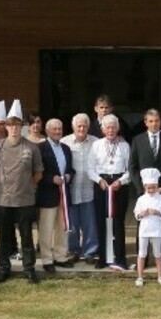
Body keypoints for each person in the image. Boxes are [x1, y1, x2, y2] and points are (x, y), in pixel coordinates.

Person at [0, 107, 44, 283]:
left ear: (22, 127)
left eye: (17, 125)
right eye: (11, 125)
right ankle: (3, 268)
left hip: (25, 200)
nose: (14, 128)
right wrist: (4, 186)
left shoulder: (32, 148)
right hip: (4, 200)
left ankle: (29, 269)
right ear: (6, 127)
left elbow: (38, 172)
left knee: (27, 237)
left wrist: (28, 186)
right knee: (4, 238)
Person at [129, 110, 161, 270]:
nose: (154, 124)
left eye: (156, 120)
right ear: (145, 122)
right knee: (143, 224)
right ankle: (142, 260)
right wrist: (141, 188)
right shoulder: (137, 140)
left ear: (160, 122)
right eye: (150, 121)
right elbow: (132, 167)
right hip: (144, 192)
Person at [91, 114, 134, 271]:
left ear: (118, 128)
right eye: (107, 127)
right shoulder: (96, 145)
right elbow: (90, 167)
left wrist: (121, 181)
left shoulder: (125, 146)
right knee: (102, 222)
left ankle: (120, 258)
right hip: (101, 185)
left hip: (119, 186)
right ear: (103, 129)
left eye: (113, 127)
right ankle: (103, 257)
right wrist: (99, 180)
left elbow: (130, 169)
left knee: (118, 223)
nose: (110, 130)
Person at [62, 113, 102, 264]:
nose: (82, 129)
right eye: (79, 126)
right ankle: (74, 251)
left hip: (89, 189)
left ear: (88, 127)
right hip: (71, 189)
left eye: (85, 126)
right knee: (72, 224)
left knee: (90, 223)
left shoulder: (96, 142)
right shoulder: (65, 142)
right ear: (73, 127)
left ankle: (90, 252)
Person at [37, 118, 75, 268]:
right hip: (48, 194)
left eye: (60, 129)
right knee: (46, 228)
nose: (58, 131)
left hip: (64, 194)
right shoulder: (40, 148)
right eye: (54, 129)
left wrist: (69, 176)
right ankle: (47, 259)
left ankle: (60, 256)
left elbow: (70, 169)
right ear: (47, 131)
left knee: (62, 226)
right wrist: (51, 179)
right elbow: (36, 171)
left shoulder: (66, 148)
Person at [131, 168, 161, 286]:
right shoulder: (141, 199)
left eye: (154, 187)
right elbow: (136, 213)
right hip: (144, 230)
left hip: (157, 230)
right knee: (142, 253)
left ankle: (160, 276)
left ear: (157, 186)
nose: (151, 190)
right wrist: (141, 214)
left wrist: (158, 213)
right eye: (148, 188)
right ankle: (140, 277)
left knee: (158, 253)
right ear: (144, 187)